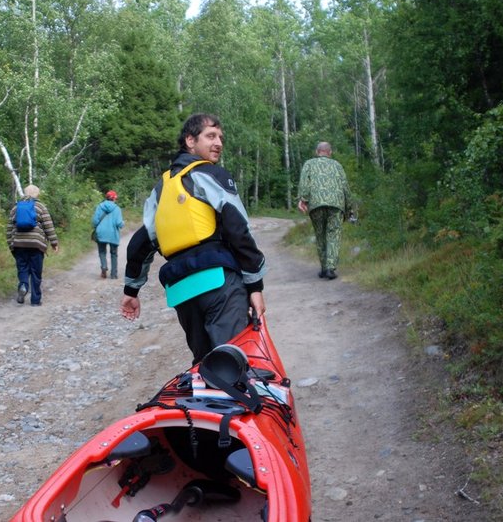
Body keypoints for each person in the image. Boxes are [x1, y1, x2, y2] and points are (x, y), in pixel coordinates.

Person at [120, 113, 267, 364]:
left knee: (205, 364)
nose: (218, 142)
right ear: (190, 141)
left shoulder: (162, 188)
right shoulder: (211, 174)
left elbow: (140, 243)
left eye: (220, 137)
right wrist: (255, 286)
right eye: (210, 136)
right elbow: (238, 229)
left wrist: (131, 291)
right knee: (232, 362)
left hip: (181, 291)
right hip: (218, 282)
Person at [297, 141, 352, 280]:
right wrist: (349, 208)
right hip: (336, 205)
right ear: (330, 152)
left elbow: (304, 183)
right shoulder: (337, 165)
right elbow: (345, 187)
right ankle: (330, 268)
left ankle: (323, 268)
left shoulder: (309, 164)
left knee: (320, 234)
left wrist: (303, 199)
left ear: (317, 152)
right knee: (333, 234)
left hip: (316, 204)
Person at [6, 184, 59, 305]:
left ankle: (23, 285)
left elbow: (9, 228)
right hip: (36, 244)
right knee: (36, 272)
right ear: (37, 194)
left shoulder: (16, 208)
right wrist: (54, 243)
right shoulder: (40, 207)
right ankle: (35, 300)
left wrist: (11, 244)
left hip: (19, 244)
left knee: (22, 268)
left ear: (25, 193)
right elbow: (48, 226)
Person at [92, 190, 125, 279]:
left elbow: (95, 221)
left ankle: (103, 266)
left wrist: (96, 227)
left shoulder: (100, 206)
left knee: (102, 252)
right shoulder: (117, 209)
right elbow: (119, 223)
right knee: (114, 254)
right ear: (114, 199)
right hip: (113, 234)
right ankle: (113, 274)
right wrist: (123, 223)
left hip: (101, 233)